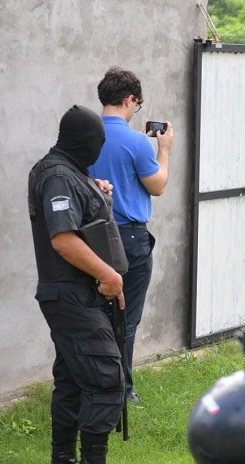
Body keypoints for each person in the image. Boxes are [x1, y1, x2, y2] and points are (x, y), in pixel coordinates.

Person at [29, 105, 128, 464]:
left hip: (72, 294)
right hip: (72, 294)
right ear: (85, 142)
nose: (98, 151)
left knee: (72, 379)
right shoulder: (57, 176)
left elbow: (76, 203)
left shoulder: (65, 169)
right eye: (97, 144)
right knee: (105, 378)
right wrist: (109, 275)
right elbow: (63, 239)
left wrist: (95, 189)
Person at [89, 67, 174, 404]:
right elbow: (158, 185)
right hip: (129, 240)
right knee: (126, 318)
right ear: (129, 100)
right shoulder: (138, 142)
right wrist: (163, 149)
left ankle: (92, 384)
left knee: (94, 315)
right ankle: (121, 390)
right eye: (136, 104)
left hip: (90, 240)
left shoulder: (86, 135)